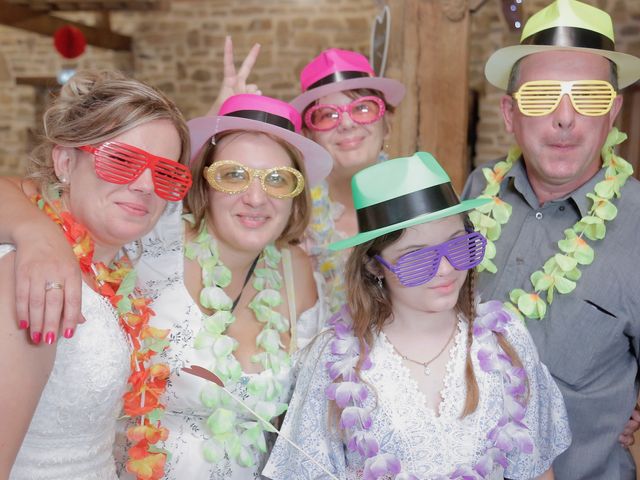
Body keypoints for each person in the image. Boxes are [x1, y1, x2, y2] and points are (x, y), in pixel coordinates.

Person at [263, 152, 570, 479]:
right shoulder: (332, 361)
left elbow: (536, 472)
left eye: (456, 245)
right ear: (374, 265)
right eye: (416, 258)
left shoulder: (506, 340)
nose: (446, 269)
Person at [461, 0, 640, 478]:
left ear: (614, 112)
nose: (565, 118)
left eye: (589, 98)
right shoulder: (475, 194)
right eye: (542, 97)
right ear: (510, 112)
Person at [113, 92, 332, 479]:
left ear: (296, 196)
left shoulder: (298, 273)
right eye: (233, 175)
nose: (255, 197)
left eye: (278, 180)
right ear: (205, 183)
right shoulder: (152, 242)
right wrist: (35, 238)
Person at [0, 70, 191, 479]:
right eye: (121, 160)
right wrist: (33, 232)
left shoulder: (111, 276)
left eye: (166, 173)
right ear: (65, 161)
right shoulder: (35, 274)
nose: (145, 185)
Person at [291, 48, 406, 313]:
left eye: (362, 108)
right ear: (309, 134)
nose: (346, 124)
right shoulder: (291, 223)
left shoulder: (422, 201)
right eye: (328, 115)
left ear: (386, 122)